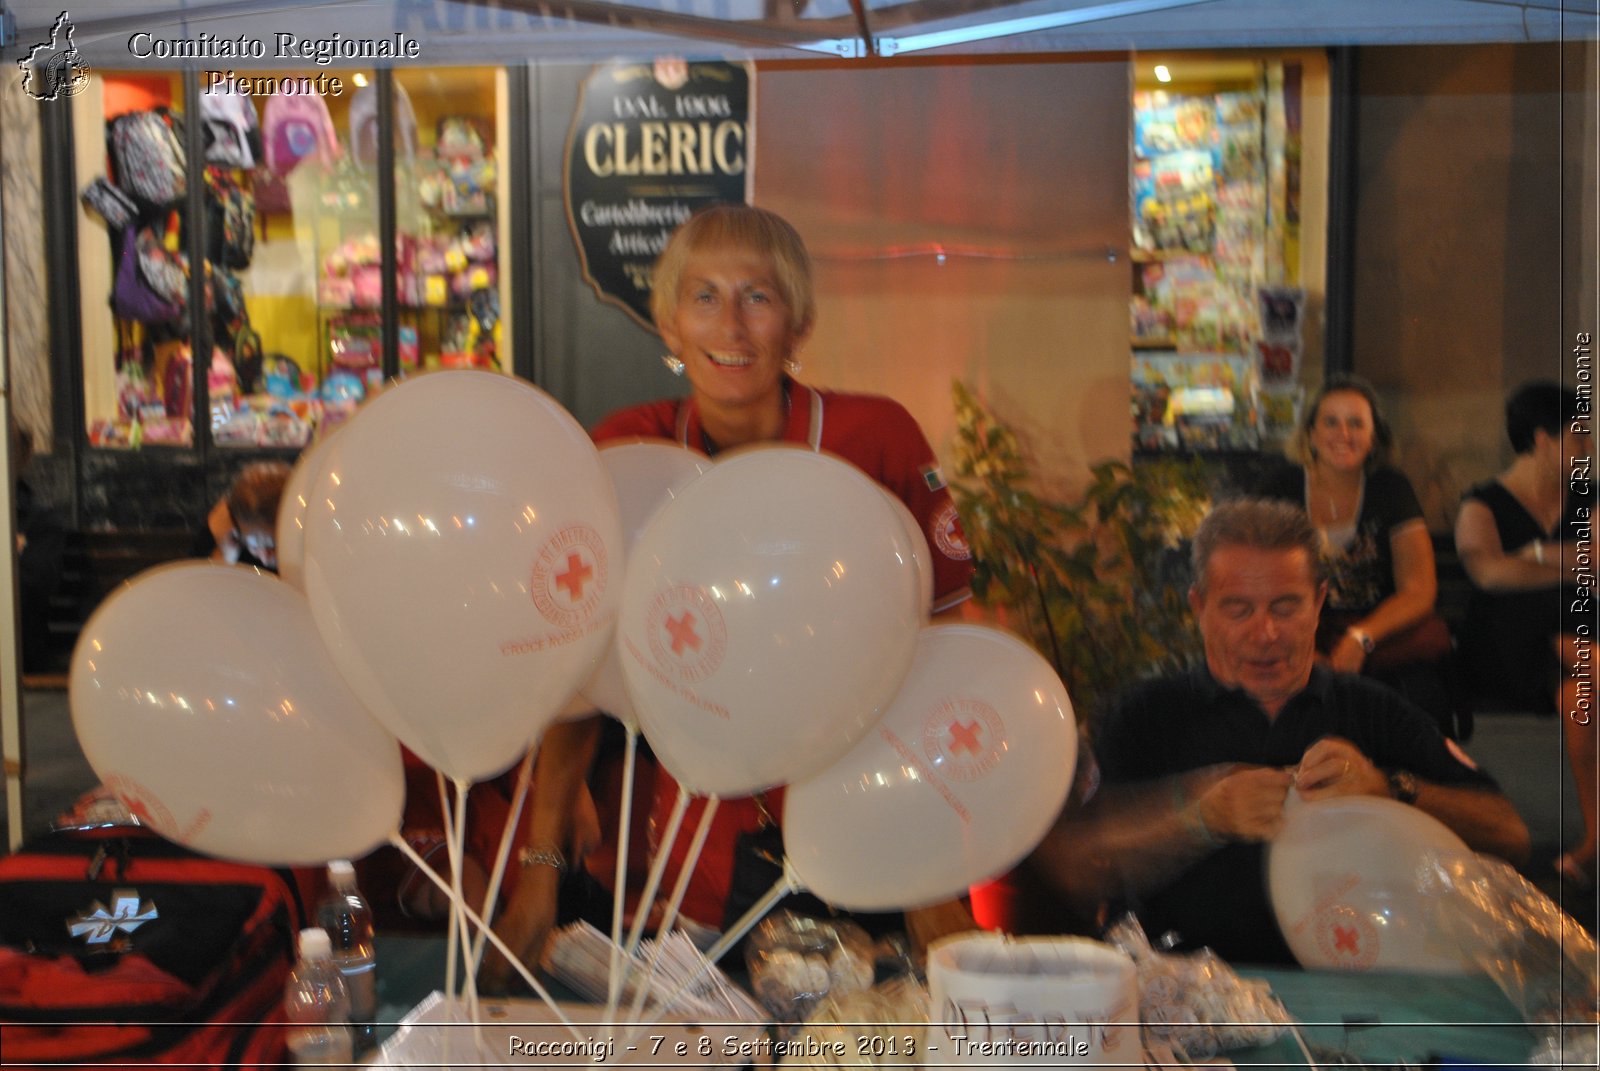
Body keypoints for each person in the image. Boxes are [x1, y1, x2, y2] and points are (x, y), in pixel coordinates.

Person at [478, 204, 978, 990]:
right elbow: (578, 679)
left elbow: (945, 662)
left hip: (868, 837)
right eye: (704, 297)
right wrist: (538, 878)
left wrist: (931, 871)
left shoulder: (874, 439)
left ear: (798, 323)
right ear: (668, 325)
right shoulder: (628, 449)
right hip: (689, 861)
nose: (732, 324)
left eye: (759, 296)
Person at [1029, 497, 1528, 965]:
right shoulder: (1143, 714)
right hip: (1182, 989)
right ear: (1199, 608)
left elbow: (1511, 835)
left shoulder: (1372, 710)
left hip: (1350, 995)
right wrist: (1200, 818)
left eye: (1286, 606)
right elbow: (1075, 867)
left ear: (1319, 603)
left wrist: (1393, 790)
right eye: (1238, 609)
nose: (1265, 633)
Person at [1455, 381, 1596, 888]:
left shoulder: (1590, 496)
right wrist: (1568, 564)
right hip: (1504, 650)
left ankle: (1593, 838)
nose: (1589, 448)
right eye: (1579, 436)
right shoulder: (1482, 504)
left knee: (1580, 695)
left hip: (1564, 652)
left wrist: (1528, 558)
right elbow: (1488, 576)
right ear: (1543, 440)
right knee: (1534, 609)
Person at [1257, 377, 1453, 729]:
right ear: (1311, 433)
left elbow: (1419, 589)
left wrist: (1360, 639)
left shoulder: (1391, 488)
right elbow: (1258, 579)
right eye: (1331, 422)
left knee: (1419, 699)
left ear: (1373, 437)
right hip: (1299, 630)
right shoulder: (1281, 487)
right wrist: (1301, 647)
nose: (1343, 434)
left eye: (1356, 423)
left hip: (1381, 634)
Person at [198, 461, 290, 572]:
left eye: (276, 547)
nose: (265, 559)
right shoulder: (224, 536)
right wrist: (225, 558)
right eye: (255, 546)